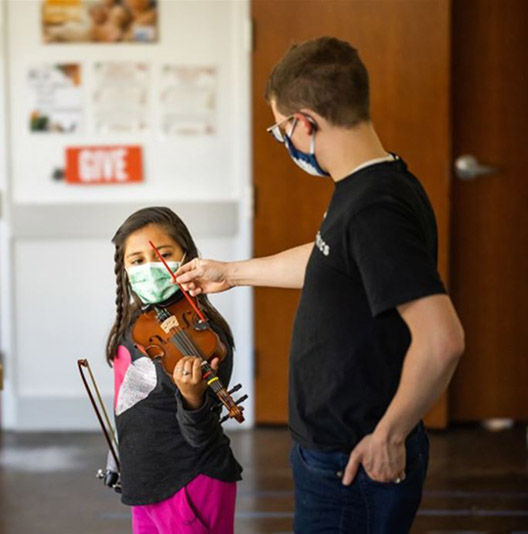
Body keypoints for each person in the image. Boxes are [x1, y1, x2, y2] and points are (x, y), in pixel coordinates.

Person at [175, 37, 465, 533]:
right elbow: (329, 261)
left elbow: (442, 340)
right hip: (332, 452)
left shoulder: (375, 209)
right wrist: (232, 272)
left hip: (355, 462)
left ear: (304, 123)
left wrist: (389, 436)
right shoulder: (367, 187)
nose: (285, 141)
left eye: (280, 129)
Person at [106, 207, 243, 534]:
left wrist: (192, 397)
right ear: (124, 270)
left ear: (186, 258)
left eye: (162, 254)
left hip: (190, 481)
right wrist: (119, 453)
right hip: (144, 484)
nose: (149, 267)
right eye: (136, 261)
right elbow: (129, 405)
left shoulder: (205, 338)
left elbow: (202, 434)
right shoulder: (134, 328)